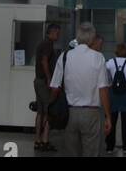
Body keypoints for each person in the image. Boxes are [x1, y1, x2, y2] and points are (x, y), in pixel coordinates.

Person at [50, 22, 111, 157]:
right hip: (91, 113)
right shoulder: (98, 57)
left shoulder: (64, 56)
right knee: (91, 152)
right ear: (92, 38)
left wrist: (50, 108)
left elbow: (55, 87)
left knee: (71, 152)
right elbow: (103, 89)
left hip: (69, 113)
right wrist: (107, 116)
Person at [33, 21, 61, 152]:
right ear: (53, 32)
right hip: (44, 82)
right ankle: (45, 140)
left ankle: (37, 140)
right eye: (57, 33)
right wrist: (50, 79)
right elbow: (44, 61)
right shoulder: (48, 44)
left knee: (40, 112)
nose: (59, 35)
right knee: (49, 110)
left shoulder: (42, 43)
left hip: (38, 80)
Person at [105, 43, 126, 155]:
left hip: (113, 94)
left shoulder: (110, 62)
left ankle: (109, 147)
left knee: (111, 119)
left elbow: (107, 78)